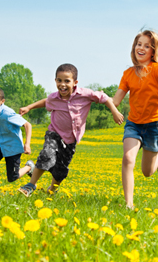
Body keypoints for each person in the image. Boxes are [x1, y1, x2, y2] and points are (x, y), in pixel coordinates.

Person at [17, 64, 124, 197]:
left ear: (75, 82)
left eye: (67, 81)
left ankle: (52, 190)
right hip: (54, 134)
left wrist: (115, 111)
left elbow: (104, 98)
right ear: (55, 80)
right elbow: (46, 101)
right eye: (59, 80)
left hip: (70, 139)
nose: (62, 84)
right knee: (46, 155)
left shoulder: (85, 94)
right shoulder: (54, 98)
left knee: (61, 170)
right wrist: (29, 107)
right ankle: (30, 185)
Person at [112, 29, 158, 209]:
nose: (141, 48)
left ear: (153, 51)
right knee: (128, 158)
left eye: (147, 46)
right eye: (139, 44)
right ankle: (129, 204)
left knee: (147, 172)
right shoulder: (128, 73)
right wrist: (100, 99)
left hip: (155, 124)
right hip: (134, 124)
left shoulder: (157, 69)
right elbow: (116, 100)